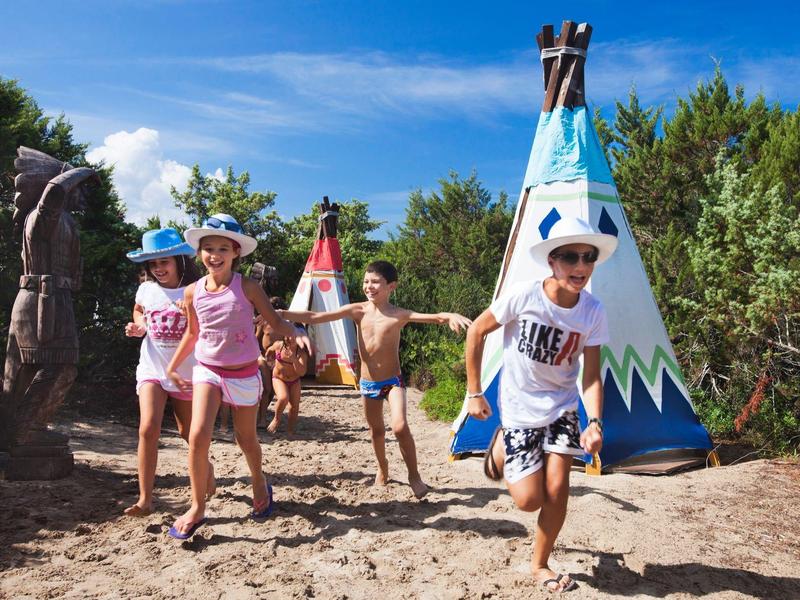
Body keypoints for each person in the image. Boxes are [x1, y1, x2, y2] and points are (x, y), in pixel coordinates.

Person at [464, 217, 617, 593]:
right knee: (528, 501)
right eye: (570, 257)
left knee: (558, 489)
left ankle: (540, 564)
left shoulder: (593, 311)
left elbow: (592, 375)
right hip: (519, 408)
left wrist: (594, 421)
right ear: (552, 261)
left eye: (588, 257)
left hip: (563, 408)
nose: (580, 267)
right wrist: (474, 391)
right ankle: (500, 445)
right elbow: (476, 330)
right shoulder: (524, 295)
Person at [165, 213, 306, 539]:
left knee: (245, 439)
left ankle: (259, 482)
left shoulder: (248, 287)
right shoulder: (192, 292)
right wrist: (173, 365)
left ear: (235, 253)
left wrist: (295, 332)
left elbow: (274, 321)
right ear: (200, 252)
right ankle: (197, 507)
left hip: (243, 374)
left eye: (222, 249)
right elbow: (192, 333)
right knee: (198, 436)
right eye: (208, 248)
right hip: (208, 370)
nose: (214, 255)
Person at [281, 260, 471, 499]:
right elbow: (316, 315)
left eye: (375, 282)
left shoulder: (399, 315)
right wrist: (281, 314)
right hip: (368, 384)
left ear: (391, 286)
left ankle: (414, 476)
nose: (369, 286)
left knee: (400, 427)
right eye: (366, 281)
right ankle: (383, 469)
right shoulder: (357, 310)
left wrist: (451, 315)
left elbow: (435, 318)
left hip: (393, 382)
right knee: (376, 432)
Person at [123, 228, 215, 517]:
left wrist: (190, 312)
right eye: (153, 264)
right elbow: (138, 310)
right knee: (147, 429)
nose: (159, 269)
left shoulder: (197, 288)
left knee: (189, 433)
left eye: (164, 262)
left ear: (178, 261)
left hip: (187, 372)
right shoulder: (147, 290)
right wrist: (139, 325)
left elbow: (209, 325)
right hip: (152, 367)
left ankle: (206, 466)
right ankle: (145, 500)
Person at [265, 330, 308, 435]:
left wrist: (294, 360)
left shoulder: (301, 353)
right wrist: (268, 360)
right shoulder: (278, 345)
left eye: (293, 337)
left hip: (294, 380)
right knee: (283, 398)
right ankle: (276, 419)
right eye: (287, 336)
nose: (289, 339)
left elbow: (302, 372)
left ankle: (290, 430)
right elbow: (269, 351)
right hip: (279, 378)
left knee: (294, 406)